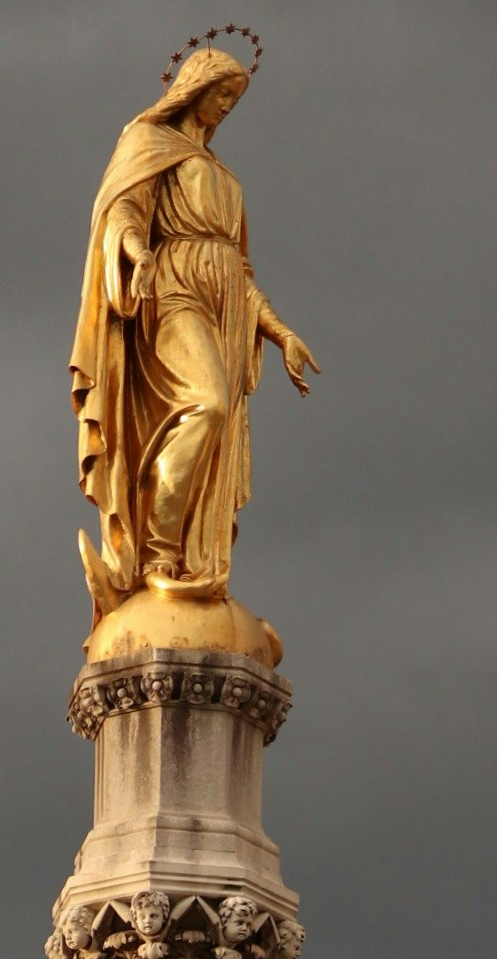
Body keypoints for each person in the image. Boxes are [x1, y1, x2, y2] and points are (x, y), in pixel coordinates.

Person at [70, 44, 319, 616]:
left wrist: (280, 333)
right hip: (171, 291)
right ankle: (154, 555)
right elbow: (125, 210)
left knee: (213, 432)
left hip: (226, 307)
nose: (227, 106)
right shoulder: (147, 142)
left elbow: (239, 269)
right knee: (203, 404)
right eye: (221, 93)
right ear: (193, 87)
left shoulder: (224, 176)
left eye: (235, 99)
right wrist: (136, 250)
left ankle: (183, 555)